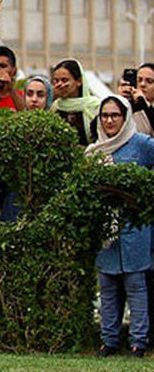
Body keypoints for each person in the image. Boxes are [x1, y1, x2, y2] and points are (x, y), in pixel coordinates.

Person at [88, 95, 154, 357]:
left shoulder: (141, 144)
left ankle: (139, 341)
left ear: (126, 117)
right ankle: (110, 341)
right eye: (105, 116)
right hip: (106, 230)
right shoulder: (95, 150)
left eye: (115, 115)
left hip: (135, 228)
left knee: (136, 286)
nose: (110, 120)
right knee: (107, 287)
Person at [51, 58, 100, 145]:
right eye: (56, 81)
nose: (59, 84)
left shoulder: (95, 106)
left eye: (64, 80)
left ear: (79, 81)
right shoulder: (55, 106)